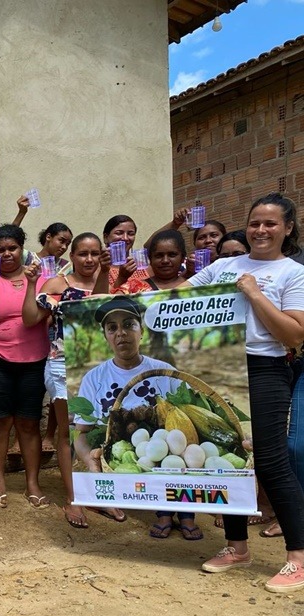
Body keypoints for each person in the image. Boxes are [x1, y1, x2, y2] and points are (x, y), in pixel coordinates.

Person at [190, 193, 304, 593]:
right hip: (220, 368)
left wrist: (255, 294)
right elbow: (172, 301)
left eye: (271, 223)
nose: (260, 230)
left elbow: (294, 334)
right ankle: (236, 547)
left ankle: (298, 559)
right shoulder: (223, 265)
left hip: (266, 368)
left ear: (288, 228)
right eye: (255, 222)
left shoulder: (293, 273)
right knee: (226, 459)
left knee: (271, 461)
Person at [72, 297, 204, 538]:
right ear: (106, 336)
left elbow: (186, 421)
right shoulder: (94, 378)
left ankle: (186, 512)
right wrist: (91, 462)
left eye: (129, 325)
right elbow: (82, 432)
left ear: (141, 331)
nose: (121, 333)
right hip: (123, 453)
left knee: (173, 442)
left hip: (165, 450)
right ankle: (162, 512)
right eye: (112, 328)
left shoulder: (163, 371)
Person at [22, 232, 103, 528]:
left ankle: (100, 496)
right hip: (61, 366)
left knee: (99, 430)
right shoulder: (58, 284)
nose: (89, 259)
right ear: (72, 256)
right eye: (83, 253)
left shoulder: (109, 282)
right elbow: (30, 319)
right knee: (68, 433)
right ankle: (73, 499)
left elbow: (103, 306)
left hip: (101, 368)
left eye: (95, 253)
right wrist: (32, 285)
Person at [0, 224, 50, 509]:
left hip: (34, 359)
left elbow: (40, 316)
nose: (7, 254)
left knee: (29, 423)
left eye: (12, 248)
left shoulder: (40, 278)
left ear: (21, 249)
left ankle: (32, 482)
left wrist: (32, 282)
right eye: (0, 250)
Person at [119, 230, 191, 294]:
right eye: (159, 256)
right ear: (150, 259)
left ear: (182, 258)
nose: (165, 261)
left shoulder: (194, 287)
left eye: (172, 255)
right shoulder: (133, 288)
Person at [102, 215, 141, 291]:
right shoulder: (99, 269)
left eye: (130, 233)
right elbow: (102, 299)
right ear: (106, 237)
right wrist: (122, 278)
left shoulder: (141, 266)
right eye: (119, 233)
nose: (125, 238)